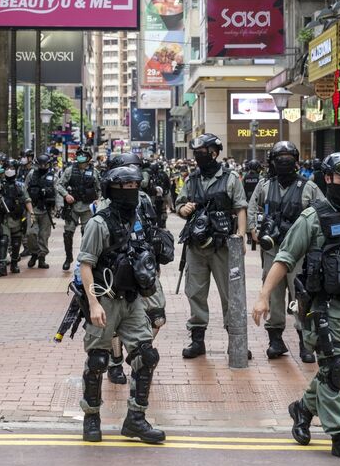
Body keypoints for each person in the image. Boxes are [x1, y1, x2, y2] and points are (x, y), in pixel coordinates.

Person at [252, 152, 340, 462]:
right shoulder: (312, 218)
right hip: (323, 308)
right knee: (334, 367)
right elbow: (284, 257)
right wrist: (263, 296)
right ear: (327, 180)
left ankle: (303, 407)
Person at [78, 164, 165, 444]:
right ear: (112, 190)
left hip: (132, 299)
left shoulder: (139, 218)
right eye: (126, 187)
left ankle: (135, 420)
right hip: (105, 299)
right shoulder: (99, 223)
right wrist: (93, 304)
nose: (132, 192)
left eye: (135, 187)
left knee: (146, 356)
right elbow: (86, 265)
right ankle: (91, 418)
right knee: (98, 360)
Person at [247, 141, 323, 362]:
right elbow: (252, 208)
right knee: (274, 294)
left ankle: (305, 342)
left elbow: (323, 212)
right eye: (280, 159)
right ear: (272, 162)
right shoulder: (264, 185)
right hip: (272, 250)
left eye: (289, 158)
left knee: (300, 295)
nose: (284, 162)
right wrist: (253, 229)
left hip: (300, 252)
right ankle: (275, 340)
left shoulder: (308, 187)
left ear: (296, 161)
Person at [174, 134, 248, 359]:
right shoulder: (192, 179)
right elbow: (179, 203)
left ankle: (236, 341)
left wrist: (241, 236)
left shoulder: (230, 178)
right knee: (195, 292)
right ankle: (198, 341)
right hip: (196, 247)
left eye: (203, 152)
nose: (199, 157)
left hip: (223, 245)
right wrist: (182, 209)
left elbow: (240, 208)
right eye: (196, 153)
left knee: (230, 294)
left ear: (214, 153)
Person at [56, 147, 101, 271]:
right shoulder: (70, 170)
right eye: (79, 155)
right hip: (72, 207)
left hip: (88, 208)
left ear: (89, 158)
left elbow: (100, 188)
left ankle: (84, 259)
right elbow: (59, 185)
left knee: (86, 234)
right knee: (68, 233)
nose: (81, 157)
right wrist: (66, 195)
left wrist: (99, 200)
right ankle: (68, 257)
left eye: (84, 155)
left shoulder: (94, 172)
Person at [0, 161, 33, 277]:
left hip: (17, 218)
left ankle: (14, 264)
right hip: (4, 218)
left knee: (16, 242)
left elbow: (27, 199)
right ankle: (2, 265)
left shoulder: (20, 186)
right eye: (7, 168)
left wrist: (32, 213)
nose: (9, 170)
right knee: (3, 240)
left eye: (12, 168)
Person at [25, 154, 57, 269]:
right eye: (41, 164)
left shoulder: (53, 176)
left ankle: (42, 257)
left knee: (44, 235)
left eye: (46, 164)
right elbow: (25, 190)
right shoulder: (31, 174)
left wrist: (58, 208)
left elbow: (57, 191)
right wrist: (28, 204)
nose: (43, 166)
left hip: (46, 211)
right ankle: (34, 253)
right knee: (31, 234)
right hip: (33, 209)